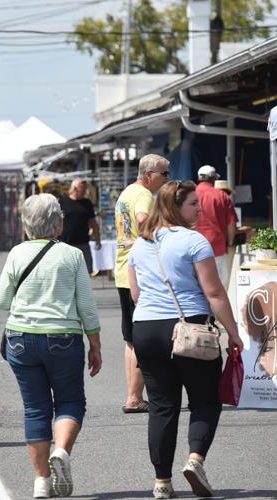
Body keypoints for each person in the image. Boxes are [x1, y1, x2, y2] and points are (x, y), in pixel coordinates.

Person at [127, 180, 243, 499]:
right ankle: (195, 460)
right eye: (193, 203)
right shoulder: (194, 241)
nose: (199, 208)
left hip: (147, 330)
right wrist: (233, 332)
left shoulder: (141, 244)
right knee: (205, 399)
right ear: (174, 207)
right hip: (189, 326)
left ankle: (162, 482)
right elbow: (214, 292)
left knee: (162, 408)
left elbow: (136, 294)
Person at [0, 194, 102, 498]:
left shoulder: (16, 253)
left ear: (26, 223)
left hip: (21, 337)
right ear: (58, 222)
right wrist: (95, 343)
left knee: (35, 409)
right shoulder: (71, 255)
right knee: (70, 401)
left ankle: (41, 481)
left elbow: (0, 300)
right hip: (63, 337)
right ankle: (62, 452)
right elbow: (86, 306)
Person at [115, 153, 168, 414]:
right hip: (139, 274)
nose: (167, 178)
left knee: (131, 339)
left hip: (124, 271)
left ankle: (133, 395)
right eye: (164, 174)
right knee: (140, 337)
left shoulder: (127, 192)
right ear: (149, 175)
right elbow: (143, 222)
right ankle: (135, 397)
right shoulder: (144, 196)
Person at [194, 165, 237, 287]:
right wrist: (229, 243)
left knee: (198, 285)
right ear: (213, 179)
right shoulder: (222, 196)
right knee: (220, 285)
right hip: (217, 248)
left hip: (194, 248)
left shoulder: (190, 195)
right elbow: (231, 223)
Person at [59, 179, 101, 274]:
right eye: (83, 189)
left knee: (86, 272)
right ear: (74, 189)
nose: (85, 191)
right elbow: (58, 222)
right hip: (66, 244)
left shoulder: (87, 203)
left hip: (83, 243)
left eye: (86, 189)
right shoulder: (63, 202)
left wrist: (98, 239)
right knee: (66, 272)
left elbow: (93, 223)